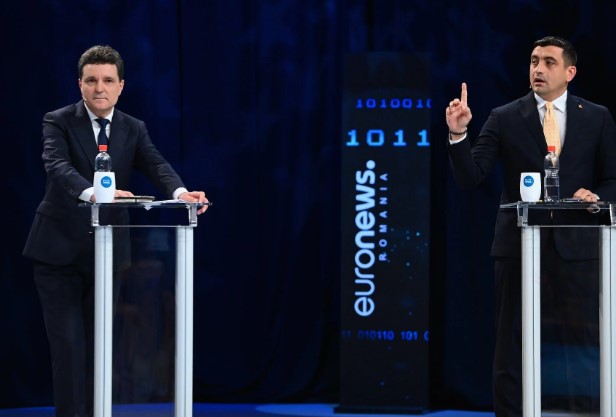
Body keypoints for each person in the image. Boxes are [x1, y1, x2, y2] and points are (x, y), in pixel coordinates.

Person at [23, 45, 209, 417]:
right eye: (91, 80)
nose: (99, 88)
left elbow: (156, 164)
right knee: (69, 348)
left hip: (109, 255)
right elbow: (56, 166)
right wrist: (95, 193)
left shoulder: (132, 127)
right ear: (80, 84)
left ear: (121, 86)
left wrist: (180, 193)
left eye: (108, 81)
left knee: (100, 347)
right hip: (58, 254)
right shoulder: (57, 121)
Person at [445, 36, 616, 417]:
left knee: (581, 344)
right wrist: (458, 134)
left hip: (578, 250)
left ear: (570, 72)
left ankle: (581, 411)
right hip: (519, 248)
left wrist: (595, 195)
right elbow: (471, 177)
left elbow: (612, 179)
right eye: (534, 61)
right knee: (512, 345)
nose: (538, 69)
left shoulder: (597, 116)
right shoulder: (505, 116)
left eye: (549, 62)